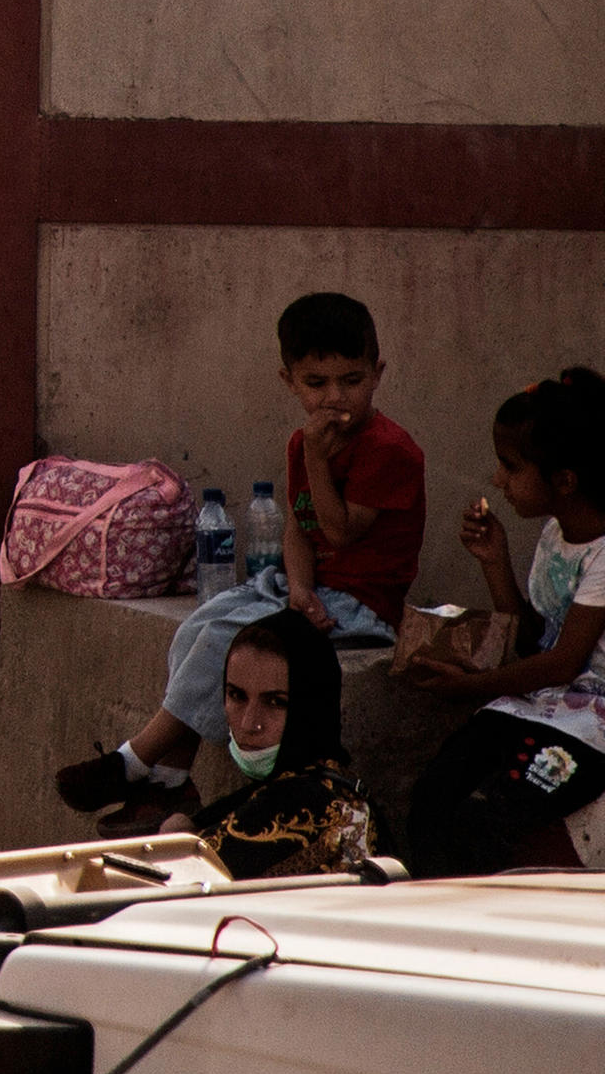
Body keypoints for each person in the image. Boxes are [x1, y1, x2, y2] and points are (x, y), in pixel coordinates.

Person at [56, 289, 426, 820]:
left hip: (360, 603)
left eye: (352, 381)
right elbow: (300, 527)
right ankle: (170, 781)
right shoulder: (304, 444)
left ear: (377, 373)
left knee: (228, 642)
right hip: (308, 587)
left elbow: (339, 532)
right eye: (316, 384)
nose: (335, 398)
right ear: (289, 382)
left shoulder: (388, 451)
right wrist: (297, 588)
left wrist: (319, 464)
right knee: (198, 627)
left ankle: (134, 760)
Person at [395, 364, 605, 874]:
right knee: (434, 792)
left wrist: (473, 686)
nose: (497, 480)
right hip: (539, 705)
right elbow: (536, 637)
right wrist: (495, 562)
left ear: (566, 481)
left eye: (511, 468)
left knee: (489, 821)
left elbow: (562, 662)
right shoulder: (557, 532)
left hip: (591, 724)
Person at [183, 606, 376, 877]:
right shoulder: (307, 784)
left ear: (311, 708)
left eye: (276, 703)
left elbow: (183, 872)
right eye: (237, 696)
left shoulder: (313, 803)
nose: (250, 724)